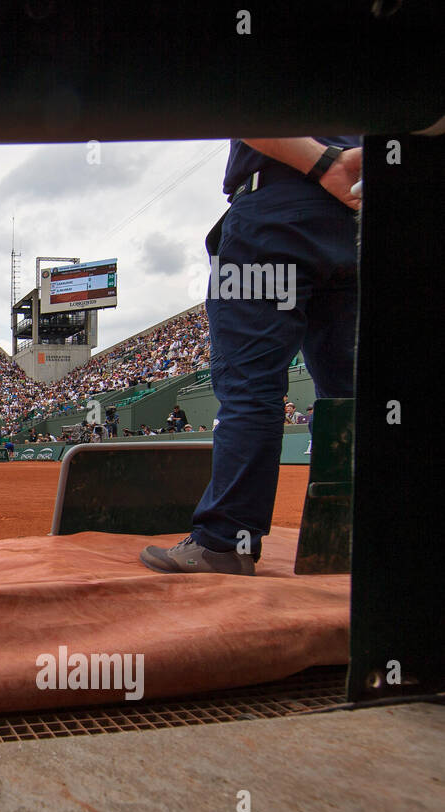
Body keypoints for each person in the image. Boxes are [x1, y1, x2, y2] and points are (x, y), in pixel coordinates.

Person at [142, 134, 361, 576]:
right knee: (351, 393)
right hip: (355, 217)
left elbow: (241, 108)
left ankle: (225, 544)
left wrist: (323, 163)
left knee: (250, 387)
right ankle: (352, 542)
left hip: (275, 209)